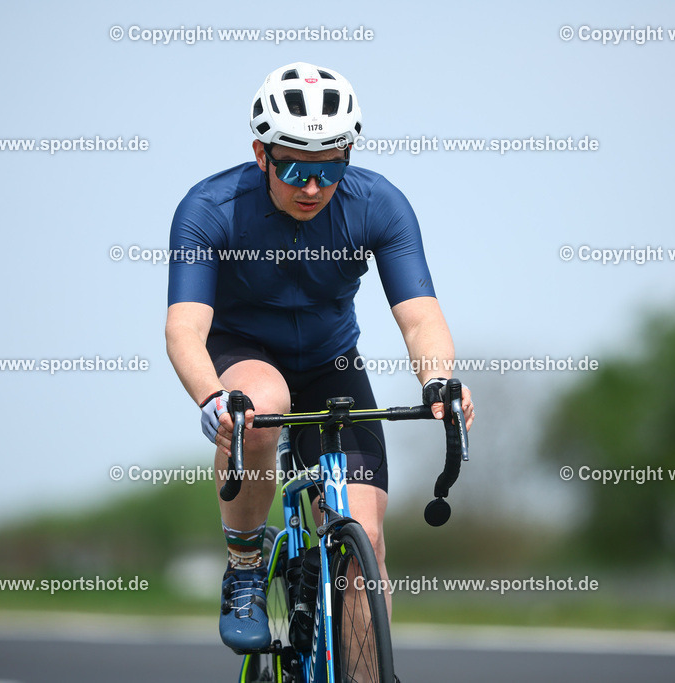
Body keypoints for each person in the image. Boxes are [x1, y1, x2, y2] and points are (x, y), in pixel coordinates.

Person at [165, 61, 474, 656]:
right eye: (296, 169)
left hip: (333, 362)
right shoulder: (209, 207)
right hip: (244, 354)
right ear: (261, 154)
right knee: (259, 408)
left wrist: (439, 382)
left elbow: (419, 315)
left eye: (330, 169)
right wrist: (212, 397)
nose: (313, 188)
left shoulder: (378, 203)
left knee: (369, 540)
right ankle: (246, 567)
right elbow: (184, 328)